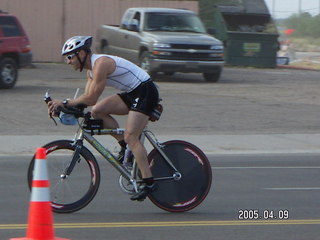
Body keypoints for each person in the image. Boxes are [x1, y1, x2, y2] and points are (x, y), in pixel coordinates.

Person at [48, 36, 159, 201]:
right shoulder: (90, 71)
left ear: (82, 53)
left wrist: (64, 101)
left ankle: (149, 182)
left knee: (131, 137)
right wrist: (65, 108)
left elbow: (91, 97)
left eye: (70, 56)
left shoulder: (101, 64)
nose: (68, 61)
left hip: (145, 91)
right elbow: (85, 101)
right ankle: (125, 149)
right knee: (97, 111)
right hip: (131, 93)